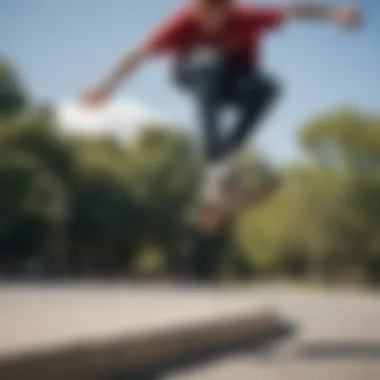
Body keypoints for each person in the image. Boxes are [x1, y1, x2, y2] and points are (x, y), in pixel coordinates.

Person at [82, 0, 360, 278]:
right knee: (209, 61)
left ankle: (222, 163)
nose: (212, 23)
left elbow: (293, 10)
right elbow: (139, 54)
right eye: (206, 16)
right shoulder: (182, 21)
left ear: (229, 9)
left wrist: (334, 12)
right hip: (194, 75)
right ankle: (217, 158)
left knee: (268, 88)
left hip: (236, 81)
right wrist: (106, 87)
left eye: (220, 16)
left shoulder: (246, 16)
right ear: (198, 9)